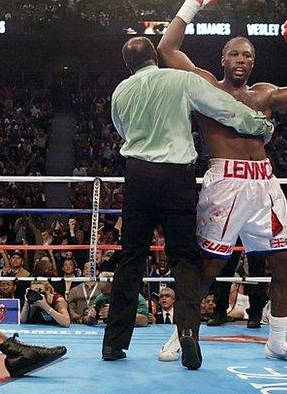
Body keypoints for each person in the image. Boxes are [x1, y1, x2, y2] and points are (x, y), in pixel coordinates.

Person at [156, 0, 287, 366]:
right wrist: (193, 2)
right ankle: (181, 335)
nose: (242, 60)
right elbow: (166, 48)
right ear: (223, 58)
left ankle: (277, 341)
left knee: (283, 262)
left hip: (265, 184)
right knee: (208, 267)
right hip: (224, 183)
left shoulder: (263, 94)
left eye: (248, 55)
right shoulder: (204, 86)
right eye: (235, 54)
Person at [102, 35, 274, 369]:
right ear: (155, 55)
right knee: (184, 258)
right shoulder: (180, 79)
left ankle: (113, 344)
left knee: (131, 259)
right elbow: (224, 108)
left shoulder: (121, 91)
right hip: (175, 177)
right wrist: (259, 125)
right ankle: (188, 335)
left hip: (137, 175)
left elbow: (122, 130)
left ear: (128, 64)